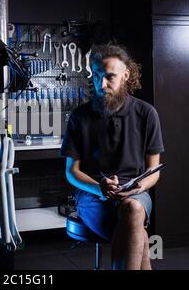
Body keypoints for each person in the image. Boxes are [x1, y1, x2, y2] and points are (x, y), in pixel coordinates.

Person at [60, 43, 164, 270]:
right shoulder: (80, 117)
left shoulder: (147, 114)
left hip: (136, 195)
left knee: (133, 209)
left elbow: (153, 171)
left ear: (126, 75)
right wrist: (100, 188)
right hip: (92, 196)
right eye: (97, 76)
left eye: (109, 77)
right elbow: (71, 172)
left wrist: (137, 188)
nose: (102, 84)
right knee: (137, 230)